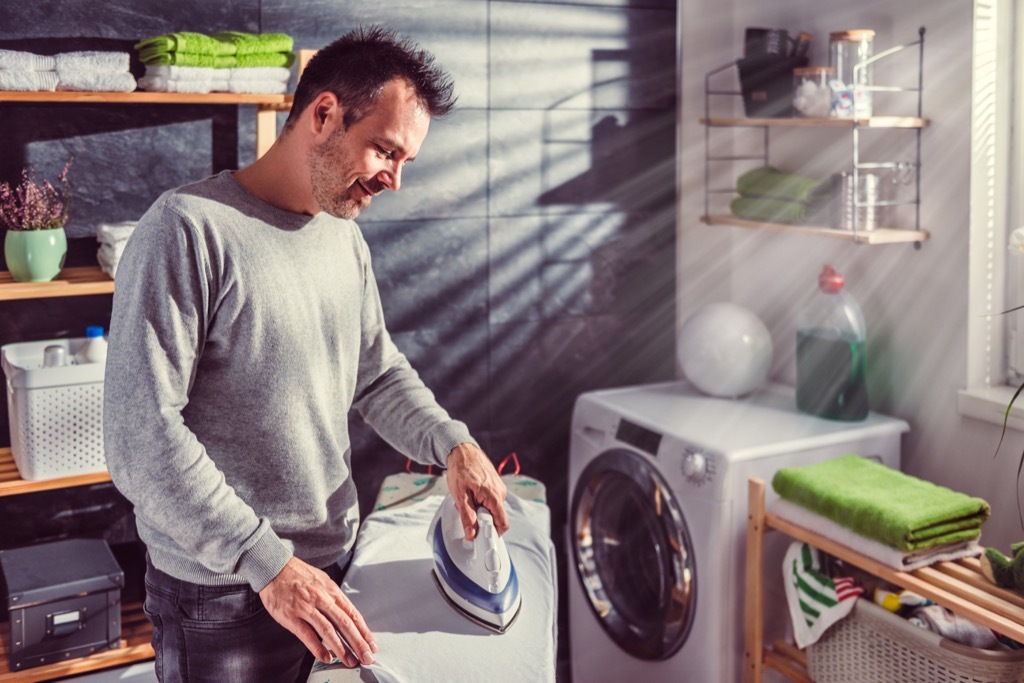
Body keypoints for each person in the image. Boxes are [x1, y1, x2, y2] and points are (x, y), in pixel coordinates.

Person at [103, 25, 509, 683]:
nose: (395, 180)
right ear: (323, 114)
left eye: (405, 160)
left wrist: (452, 444)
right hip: (224, 594)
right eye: (384, 150)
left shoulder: (340, 236)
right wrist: (268, 563)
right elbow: (139, 437)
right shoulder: (185, 230)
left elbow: (375, 374)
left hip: (330, 570)